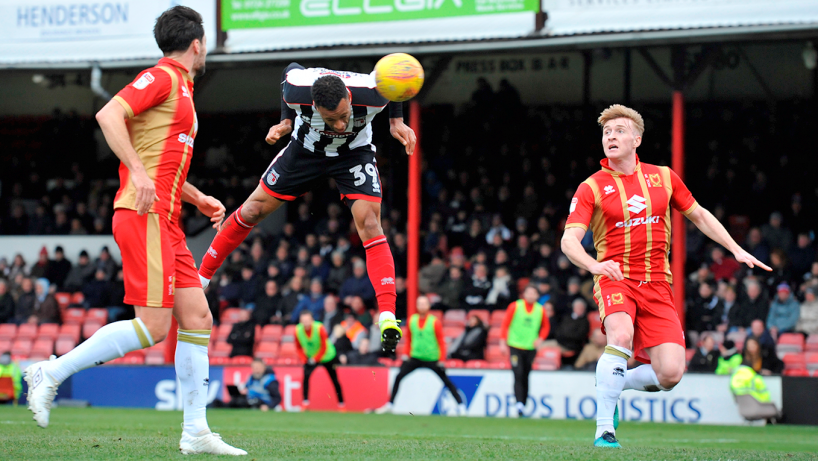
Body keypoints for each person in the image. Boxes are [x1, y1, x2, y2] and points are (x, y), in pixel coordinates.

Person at [23, 7, 245, 455]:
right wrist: (139, 174)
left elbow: (162, 165)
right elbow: (109, 115)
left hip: (167, 218)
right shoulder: (162, 77)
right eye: (205, 45)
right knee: (153, 327)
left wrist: (195, 197)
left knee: (198, 319)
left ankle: (195, 432)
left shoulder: (182, 88)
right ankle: (50, 372)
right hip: (143, 215)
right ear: (197, 44)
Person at [560, 105, 770, 448]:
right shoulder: (592, 187)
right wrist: (594, 266)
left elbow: (699, 215)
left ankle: (613, 383)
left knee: (671, 374)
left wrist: (735, 249)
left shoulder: (663, 177)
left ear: (637, 139)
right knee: (620, 335)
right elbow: (569, 240)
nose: (610, 136)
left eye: (619, 130)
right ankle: (604, 431)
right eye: (606, 132)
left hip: (657, 284)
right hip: (615, 277)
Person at [197, 62, 417, 354]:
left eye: (343, 116)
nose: (339, 125)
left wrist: (396, 122)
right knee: (251, 211)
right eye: (331, 119)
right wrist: (286, 121)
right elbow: (290, 68)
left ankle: (388, 315)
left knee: (371, 224)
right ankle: (199, 281)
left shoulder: (374, 92)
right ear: (313, 105)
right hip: (305, 152)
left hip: (353, 155)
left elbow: (398, 81)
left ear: (350, 100)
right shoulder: (296, 89)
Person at [375, 296, 465, 414]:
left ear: (428, 306)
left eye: (424, 304)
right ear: (417, 306)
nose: (422, 306)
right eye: (420, 304)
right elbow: (409, 339)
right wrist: (406, 354)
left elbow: (441, 341)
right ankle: (390, 404)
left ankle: (460, 405)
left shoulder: (434, 322)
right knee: (399, 377)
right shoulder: (412, 320)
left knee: (446, 381)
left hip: (432, 358)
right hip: (415, 356)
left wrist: (442, 359)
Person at [499, 286, 550, 417]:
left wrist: (540, 339)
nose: (531, 295)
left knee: (526, 374)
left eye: (534, 293)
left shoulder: (540, 309)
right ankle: (519, 403)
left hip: (530, 347)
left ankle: (524, 403)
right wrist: (502, 341)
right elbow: (505, 323)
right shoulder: (515, 306)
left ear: (537, 296)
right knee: (518, 373)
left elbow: (546, 327)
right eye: (529, 292)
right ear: (524, 294)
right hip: (515, 345)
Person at [294, 310, 345, 410]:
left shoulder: (319, 328)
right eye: (303, 321)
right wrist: (304, 359)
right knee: (306, 377)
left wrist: (315, 359)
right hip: (311, 357)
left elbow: (324, 346)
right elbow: (298, 347)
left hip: (327, 356)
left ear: (312, 320)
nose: (305, 323)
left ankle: (341, 404)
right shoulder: (297, 330)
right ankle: (305, 402)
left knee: (334, 380)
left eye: (307, 320)